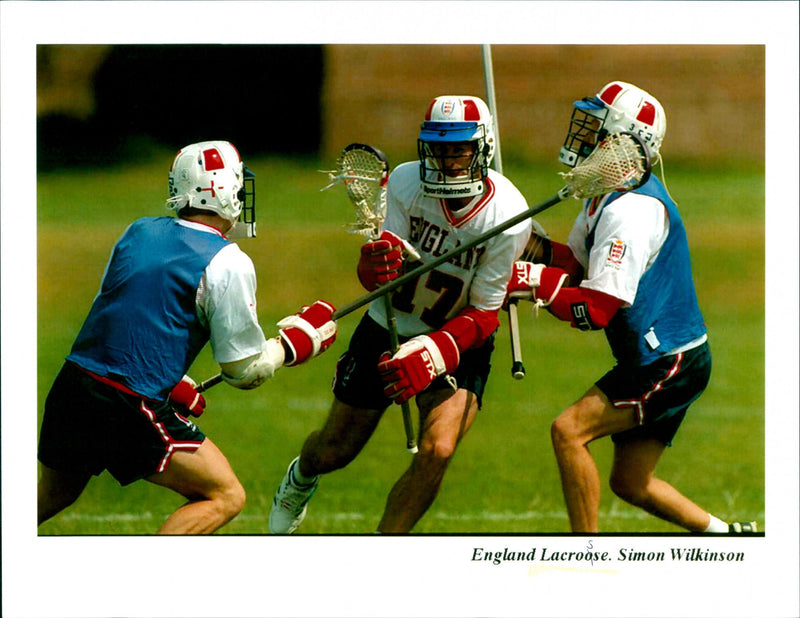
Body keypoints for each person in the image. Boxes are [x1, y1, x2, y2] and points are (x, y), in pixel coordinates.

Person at [37, 140, 338, 534]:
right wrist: (292, 346)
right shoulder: (227, 260)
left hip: (74, 386)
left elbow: (119, 316)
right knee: (225, 496)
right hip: (126, 403)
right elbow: (244, 371)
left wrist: (170, 382)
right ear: (226, 191)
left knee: (53, 493)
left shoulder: (139, 231)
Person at [269, 95, 531, 534]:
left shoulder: (508, 215)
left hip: (457, 339)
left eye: (459, 148)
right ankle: (300, 476)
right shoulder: (407, 183)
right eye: (440, 147)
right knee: (335, 451)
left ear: (482, 148)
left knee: (438, 450)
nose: (447, 159)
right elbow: (380, 273)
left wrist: (432, 351)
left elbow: (486, 313)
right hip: (388, 326)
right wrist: (374, 265)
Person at [507, 81, 758, 534]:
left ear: (621, 143)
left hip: (667, 361)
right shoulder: (605, 193)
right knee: (631, 482)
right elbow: (584, 267)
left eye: (596, 130)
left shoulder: (632, 212)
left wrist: (534, 285)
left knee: (568, 432)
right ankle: (729, 537)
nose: (584, 138)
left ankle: (589, 557)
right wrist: (536, 249)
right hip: (668, 356)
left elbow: (597, 308)